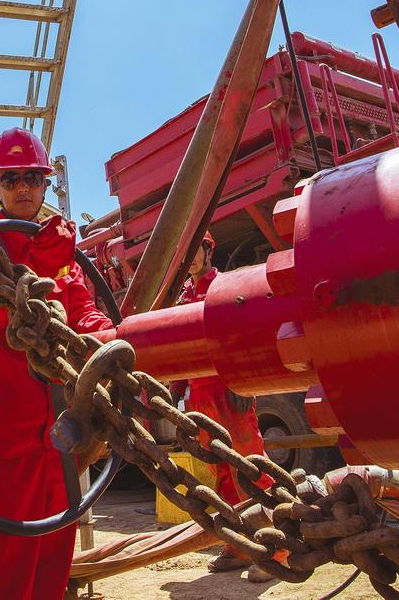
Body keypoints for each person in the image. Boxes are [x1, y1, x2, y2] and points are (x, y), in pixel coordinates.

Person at [0, 127, 115, 600]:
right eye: (10, 179)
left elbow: (82, 309)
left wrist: (110, 338)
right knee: (1, 569)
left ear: (45, 185)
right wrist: (42, 263)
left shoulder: (60, 252)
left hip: (57, 434)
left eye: (32, 178)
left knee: (51, 562)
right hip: (2, 439)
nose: (23, 188)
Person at [178, 232, 273, 582]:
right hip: (201, 394)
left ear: (208, 251)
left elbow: (244, 331)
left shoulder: (224, 287)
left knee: (250, 467)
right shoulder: (183, 296)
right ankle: (238, 545)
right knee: (221, 471)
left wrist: (246, 381)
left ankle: (276, 548)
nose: (191, 257)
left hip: (228, 388)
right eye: (186, 252)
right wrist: (177, 389)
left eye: (196, 250)